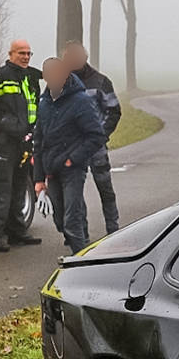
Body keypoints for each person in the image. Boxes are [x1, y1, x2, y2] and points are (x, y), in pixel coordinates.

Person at [31, 55, 106, 255]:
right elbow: (38, 141)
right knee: (60, 221)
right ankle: (86, 246)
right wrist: (38, 179)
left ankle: (83, 261)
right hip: (51, 170)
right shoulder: (44, 102)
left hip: (73, 169)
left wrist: (72, 159)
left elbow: (96, 136)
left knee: (71, 221)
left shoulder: (80, 101)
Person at [0, 39, 42, 252]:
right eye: (21, 53)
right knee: (2, 188)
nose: (25, 57)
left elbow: (34, 107)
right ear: (11, 54)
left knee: (20, 186)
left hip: (25, 141)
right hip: (6, 142)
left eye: (28, 53)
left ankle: (17, 231)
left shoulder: (31, 77)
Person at [62, 41, 121, 235]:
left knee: (105, 189)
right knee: (75, 194)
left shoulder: (101, 81)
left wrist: (100, 136)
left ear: (84, 58)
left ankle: (113, 230)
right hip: (72, 148)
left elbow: (114, 111)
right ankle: (81, 234)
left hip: (96, 148)